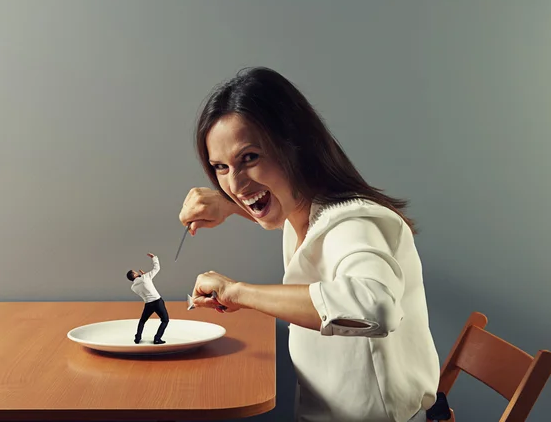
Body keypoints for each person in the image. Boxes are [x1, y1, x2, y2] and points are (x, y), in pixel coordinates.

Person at [179, 67, 441, 422]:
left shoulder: (354, 222)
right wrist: (229, 206)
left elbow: (374, 306)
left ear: (295, 146)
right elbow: (299, 227)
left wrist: (236, 292)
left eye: (249, 158)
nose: (236, 183)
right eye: (221, 167)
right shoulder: (306, 210)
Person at [126, 252, 169, 344]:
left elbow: (143, 286)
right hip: (157, 301)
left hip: (148, 304)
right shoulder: (145, 277)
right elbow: (157, 268)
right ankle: (157, 338)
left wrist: (145, 277)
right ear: (134, 275)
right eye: (135, 272)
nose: (137, 272)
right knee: (165, 320)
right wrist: (154, 258)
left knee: (142, 321)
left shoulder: (133, 287)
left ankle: (137, 338)